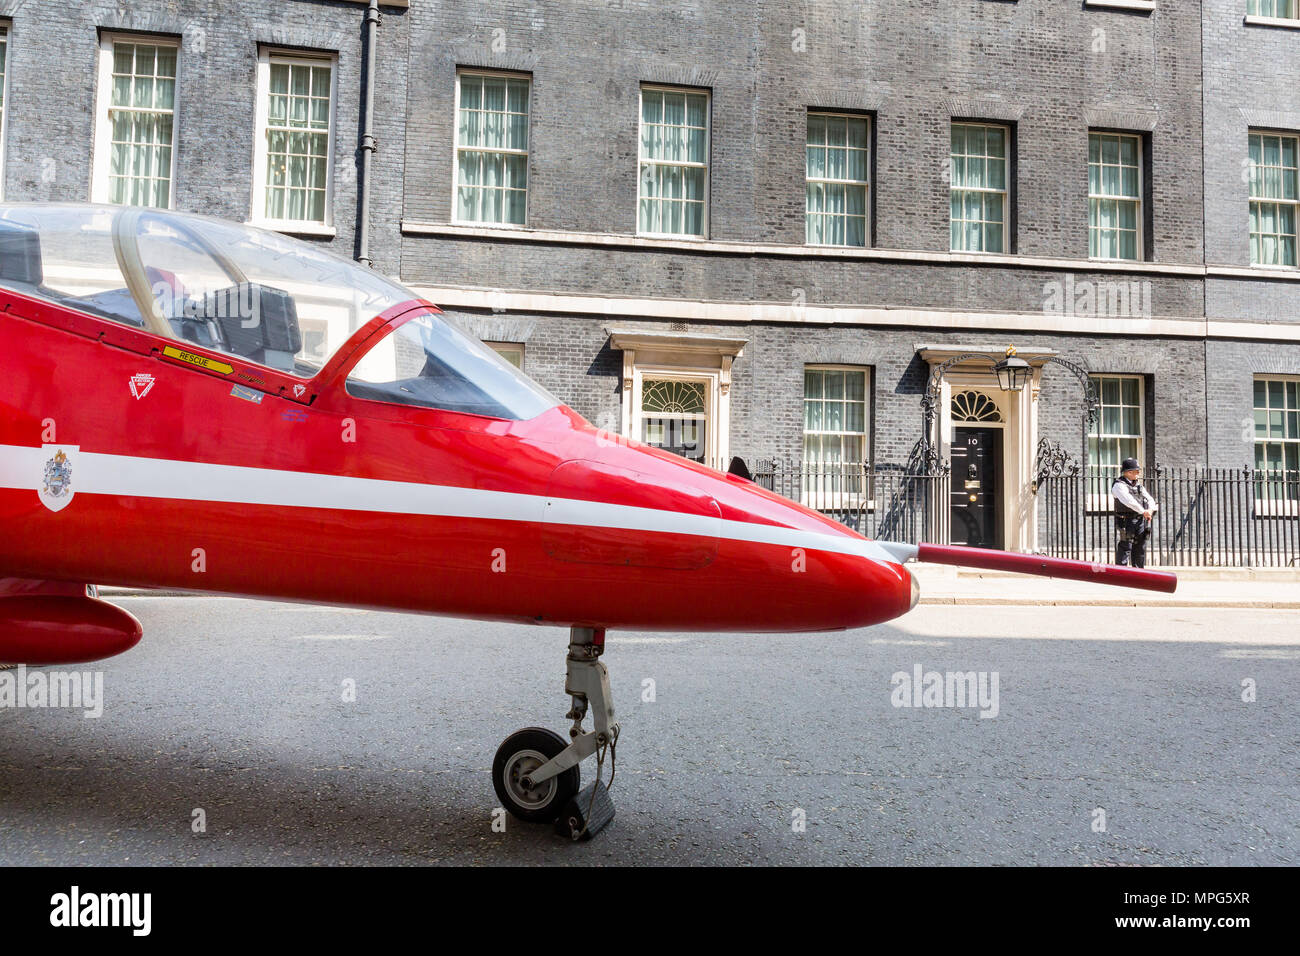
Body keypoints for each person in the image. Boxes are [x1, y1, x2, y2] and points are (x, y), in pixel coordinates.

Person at [1111, 457, 1157, 568]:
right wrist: (1144, 511)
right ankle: (1121, 574)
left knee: (1140, 547)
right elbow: (1128, 501)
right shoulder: (1119, 485)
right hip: (1125, 520)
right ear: (1128, 472)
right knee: (1126, 546)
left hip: (1140, 520)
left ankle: (1139, 573)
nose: (1138, 473)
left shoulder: (1138, 486)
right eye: (1136, 471)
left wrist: (1150, 510)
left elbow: (1150, 499)